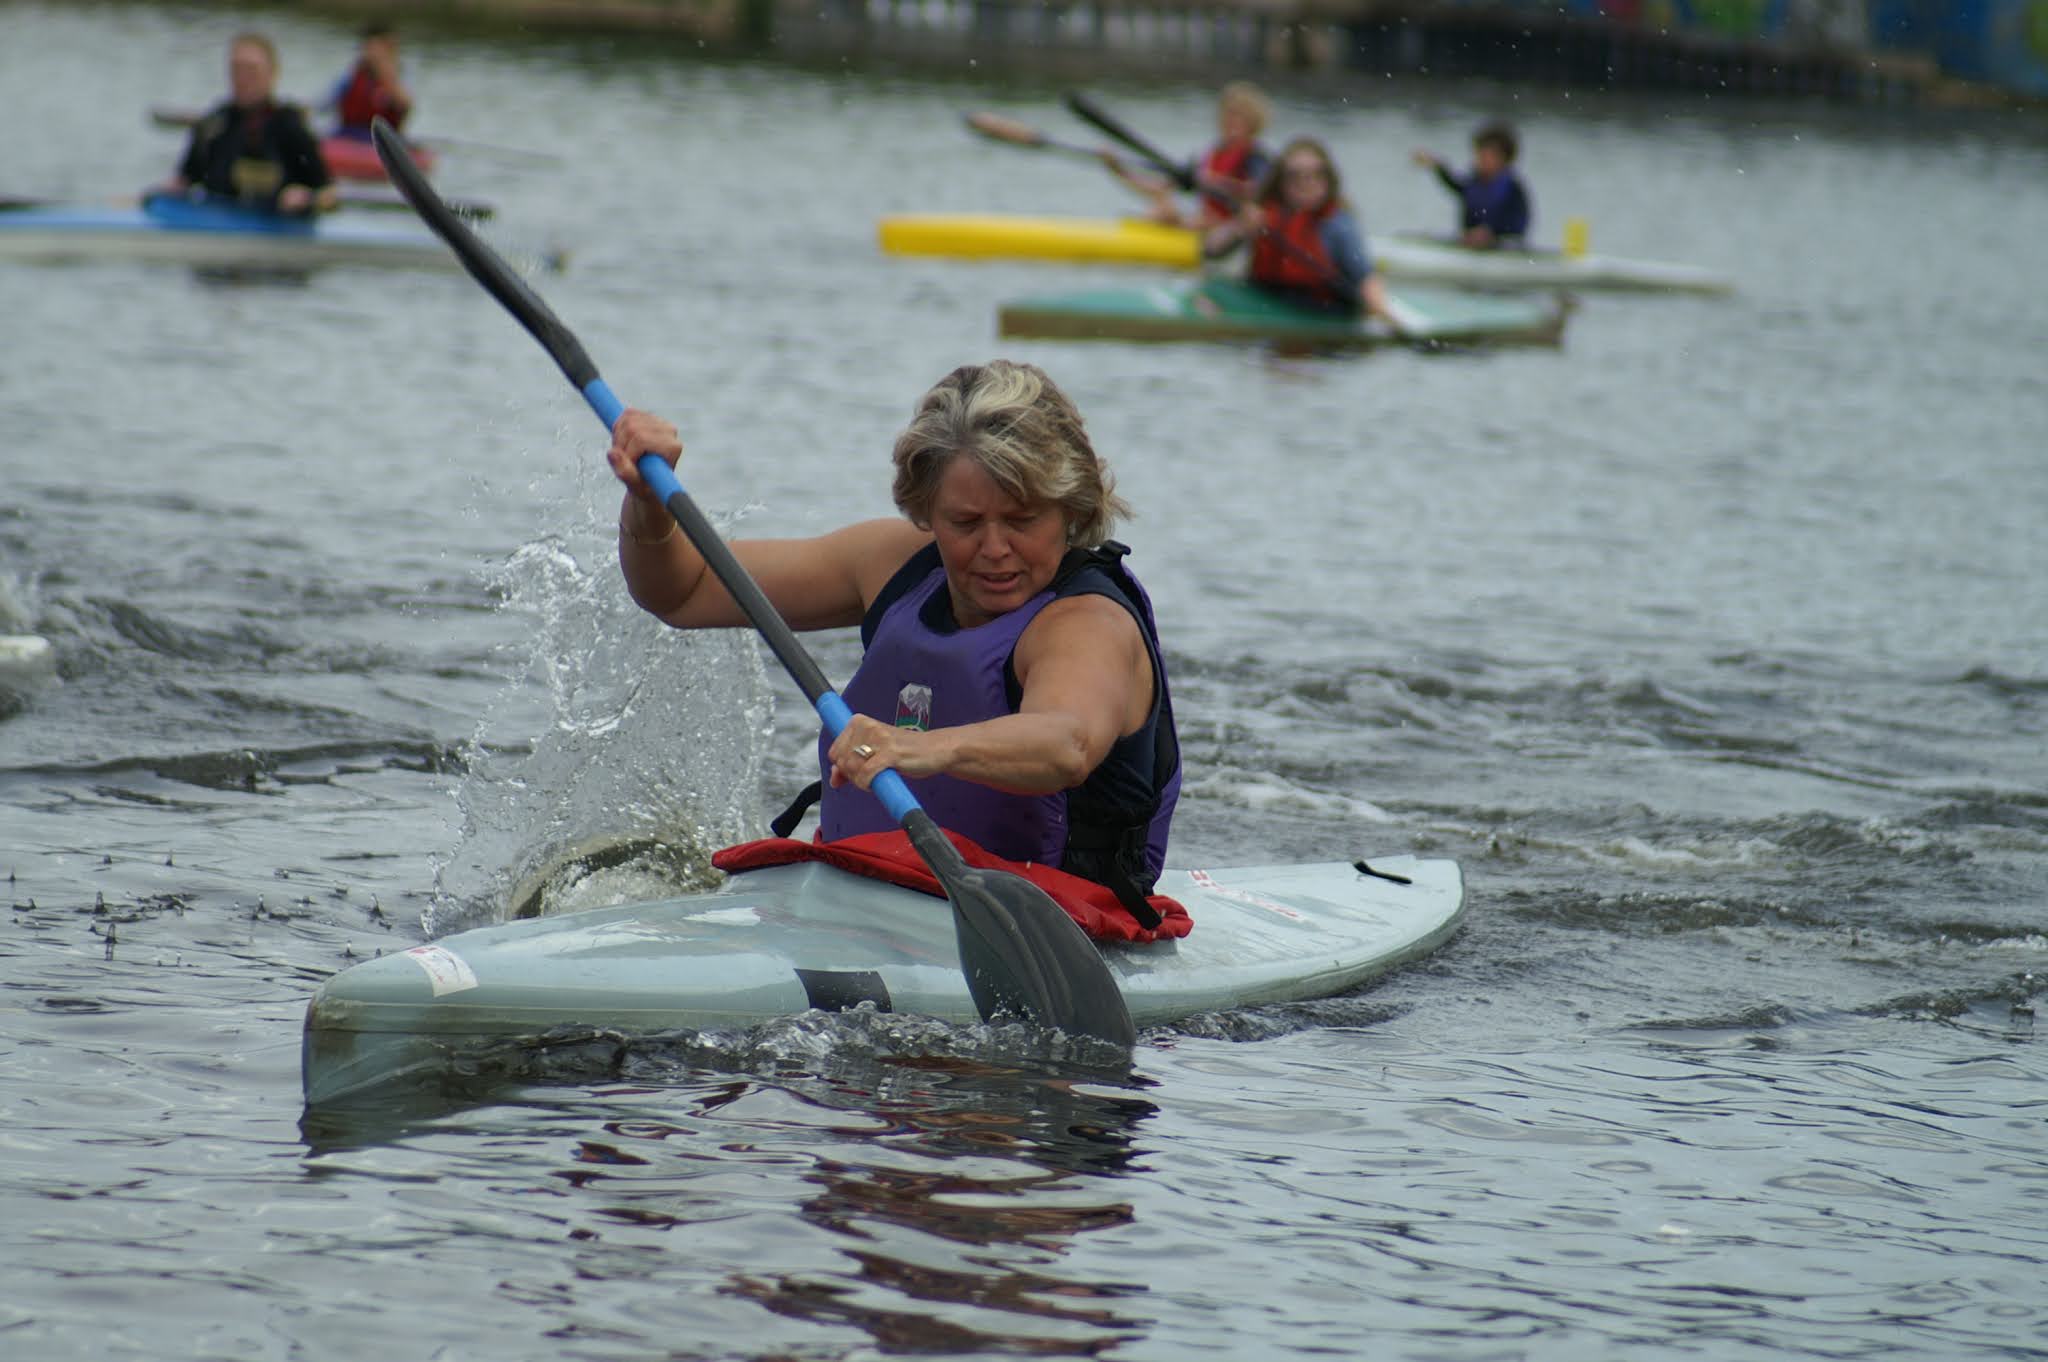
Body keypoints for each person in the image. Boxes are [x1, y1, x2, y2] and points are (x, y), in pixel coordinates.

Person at [606, 361, 1181, 920]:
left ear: (1071, 508)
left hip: (1040, 925)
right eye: (966, 523)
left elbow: (1067, 743)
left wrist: (920, 747)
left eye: (1022, 520)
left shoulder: (1088, 623)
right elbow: (683, 592)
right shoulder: (895, 566)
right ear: (926, 510)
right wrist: (648, 503)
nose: (995, 548)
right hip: (865, 897)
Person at [1202, 136, 1398, 327]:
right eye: (1295, 176)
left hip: (1319, 311)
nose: (1306, 182)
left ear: (1328, 180)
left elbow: (1365, 277)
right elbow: (1210, 250)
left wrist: (1380, 308)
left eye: (1316, 174)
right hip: (1265, 299)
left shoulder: (1338, 224)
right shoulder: (1263, 214)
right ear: (1281, 181)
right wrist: (1240, 228)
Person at [161, 32, 334, 215]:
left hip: (278, 224)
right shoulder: (212, 126)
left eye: (251, 70)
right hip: (219, 221)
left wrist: (308, 199)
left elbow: (328, 193)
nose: (243, 79)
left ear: (272, 73)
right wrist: (165, 192)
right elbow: (184, 180)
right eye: (236, 70)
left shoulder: (291, 127)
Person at [1105, 81, 1272, 229]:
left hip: (1231, 230)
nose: (1229, 121)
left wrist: (1214, 181)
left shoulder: (1255, 157)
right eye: (1227, 114)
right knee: (1162, 201)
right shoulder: (1211, 155)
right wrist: (1117, 169)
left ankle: (1155, 225)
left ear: (1253, 121)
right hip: (1203, 222)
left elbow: (1262, 191)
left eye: (1238, 116)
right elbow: (1160, 186)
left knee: (1168, 213)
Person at [1411, 121, 1532, 248]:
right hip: (1470, 244)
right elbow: (1454, 184)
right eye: (1480, 155)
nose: (1483, 160)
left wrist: (1491, 233)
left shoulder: (1513, 190)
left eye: (1489, 156)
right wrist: (1436, 165)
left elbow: (1518, 223)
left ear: (1504, 159)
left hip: (1503, 246)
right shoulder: (1473, 183)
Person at [326, 21, 413, 139]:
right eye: (370, 48)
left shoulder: (398, 78)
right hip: (347, 133)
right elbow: (326, 102)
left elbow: (405, 105)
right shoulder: (351, 76)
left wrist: (386, 75)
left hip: (382, 139)